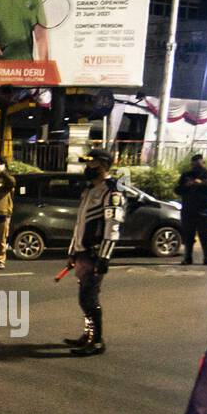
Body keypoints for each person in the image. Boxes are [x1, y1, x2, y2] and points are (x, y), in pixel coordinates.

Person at [63, 149, 124, 357]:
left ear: (103, 165)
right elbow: (80, 224)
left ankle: (96, 341)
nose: (87, 168)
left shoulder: (111, 192)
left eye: (92, 164)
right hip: (82, 252)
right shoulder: (90, 190)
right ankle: (87, 335)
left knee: (89, 299)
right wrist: (73, 250)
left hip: (94, 253)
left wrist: (104, 257)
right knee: (85, 297)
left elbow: (112, 227)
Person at [176, 155, 207, 266]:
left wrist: (202, 183)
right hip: (188, 210)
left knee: (204, 235)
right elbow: (177, 190)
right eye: (194, 164)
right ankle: (187, 258)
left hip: (204, 210)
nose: (196, 167)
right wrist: (187, 185)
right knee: (188, 236)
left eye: (199, 164)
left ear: (203, 163)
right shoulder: (186, 175)